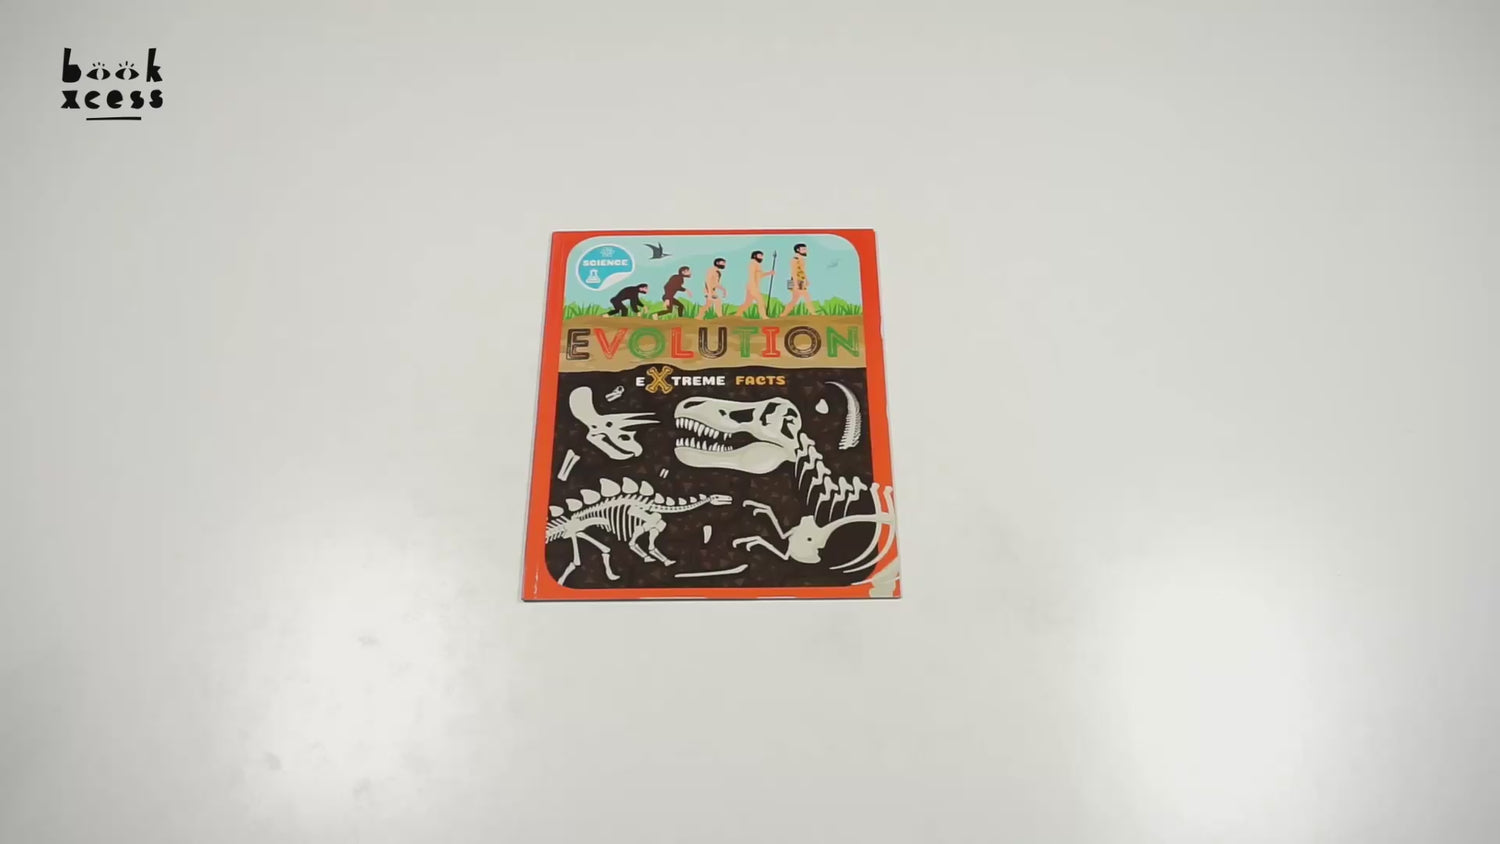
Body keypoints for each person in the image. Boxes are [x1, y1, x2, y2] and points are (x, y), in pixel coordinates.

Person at [737, 250, 775, 317]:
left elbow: (759, 275)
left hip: (752, 286)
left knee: (748, 303)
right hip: (753, 286)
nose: (762, 257)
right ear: (755, 256)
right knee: (760, 301)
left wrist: (769, 273)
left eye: (762, 256)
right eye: (760, 255)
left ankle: (737, 315)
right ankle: (764, 317)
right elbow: (751, 275)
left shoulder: (757, 264)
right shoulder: (753, 263)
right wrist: (753, 287)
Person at [786, 242, 818, 315]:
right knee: (806, 297)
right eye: (803, 249)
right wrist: (796, 284)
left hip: (800, 280)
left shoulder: (801, 259)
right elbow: (793, 272)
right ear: (798, 250)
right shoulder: (795, 259)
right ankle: (813, 313)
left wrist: (806, 280)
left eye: (805, 249)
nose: (805, 250)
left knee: (795, 300)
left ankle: (783, 314)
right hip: (796, 281)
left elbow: (802, 271)